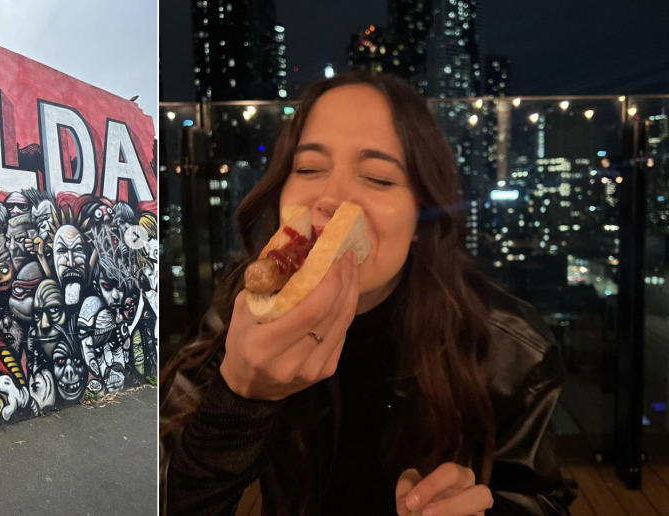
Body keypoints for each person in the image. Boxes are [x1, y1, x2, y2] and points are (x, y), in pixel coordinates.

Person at [159, 72, 575, 515]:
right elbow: (160, 494)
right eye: (308, 169)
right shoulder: (239, 313)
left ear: (422, 216)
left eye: (378, 177)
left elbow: (541, 498)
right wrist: (239, 399)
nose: (330, 196)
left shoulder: (510, 346)